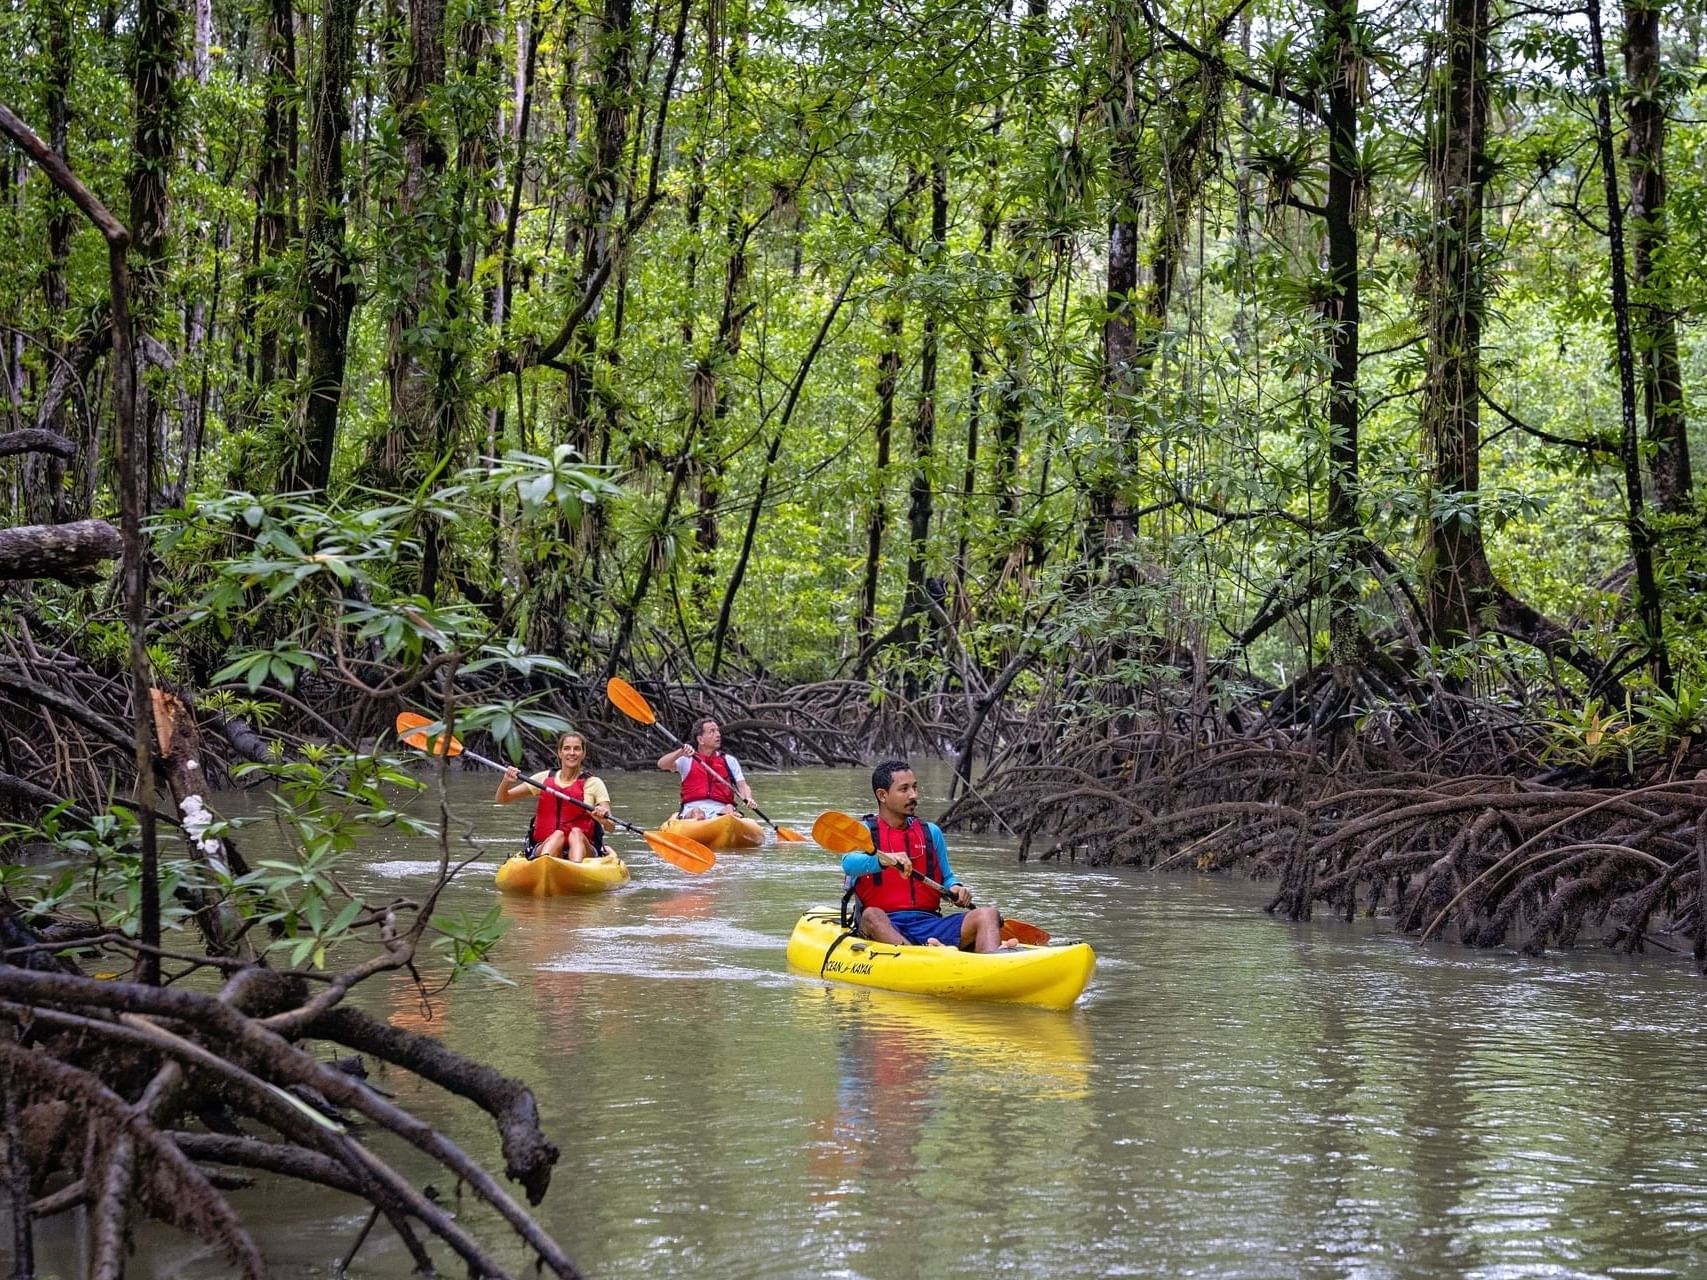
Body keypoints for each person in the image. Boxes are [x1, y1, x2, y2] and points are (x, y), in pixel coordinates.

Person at [841, 760, 1016, 952]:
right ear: (882, 795)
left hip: (929, 923)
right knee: (872, 915)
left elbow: (947, 877)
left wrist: (956, 888)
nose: (913, 795)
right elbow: (848, 864)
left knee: (988, 914)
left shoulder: (931, 832)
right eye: (904, 789)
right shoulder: (865, 832)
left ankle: (991, 964)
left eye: (915, 787)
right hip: (885, 924)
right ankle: (920, 956)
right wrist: (884, 860)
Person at [495, 732, 611, 862]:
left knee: (576, 833)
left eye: (577, 749)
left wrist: (603, 819)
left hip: (584, 849)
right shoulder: (543, 779)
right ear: (560, 753)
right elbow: (502, 799)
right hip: (545, 845)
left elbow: (611, 826)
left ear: (583, 754)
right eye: (567, 748)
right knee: (557, 835)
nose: (571, 753)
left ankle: (575, 867)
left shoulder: (594, 783)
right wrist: (506, 781)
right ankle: (545, 865)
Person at [656, 718, 758, 820]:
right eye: (712, 732)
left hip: (722, 808)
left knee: (729, 807)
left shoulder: (729, 761)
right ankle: (699, 821)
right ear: (700, 739)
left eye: (717, 730)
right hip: (692, 808)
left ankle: (729, 818)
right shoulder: (687, 759)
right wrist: (680, 752)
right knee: (697, 812)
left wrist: (748, 798)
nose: (718, 734)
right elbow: (662, 764)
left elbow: (742, 786)